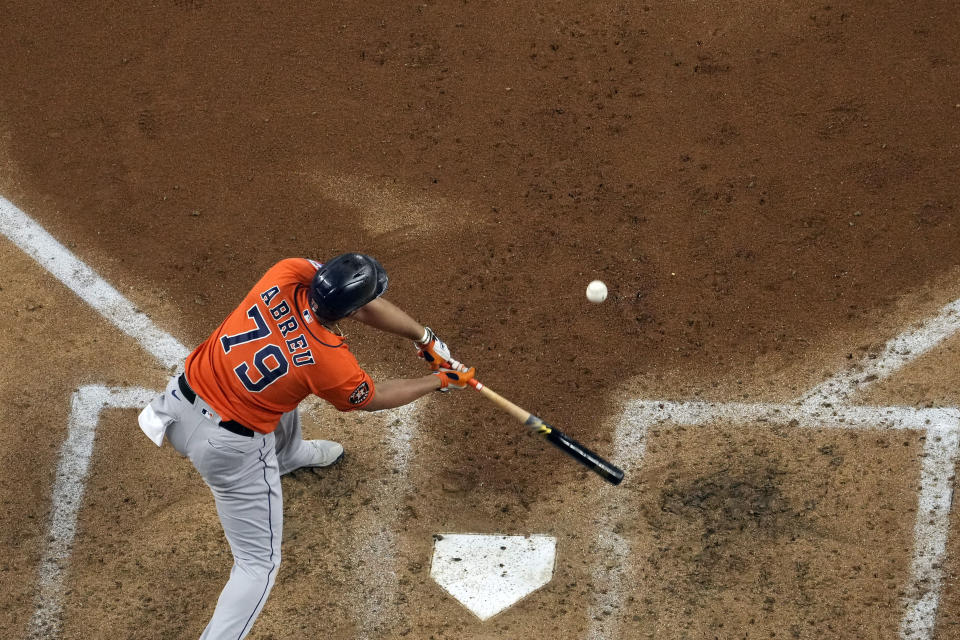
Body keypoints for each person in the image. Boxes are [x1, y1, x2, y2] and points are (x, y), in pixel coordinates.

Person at [137, 253, 473, 639]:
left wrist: (424, 338)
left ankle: (288, 455)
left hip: (178, 405)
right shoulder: (330, 362)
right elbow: (372, 396)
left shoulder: (286, 272)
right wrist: (440, 381)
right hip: (227, 451)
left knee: (284, 390)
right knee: (257, 567)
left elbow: (360, 307)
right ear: (352, 310)